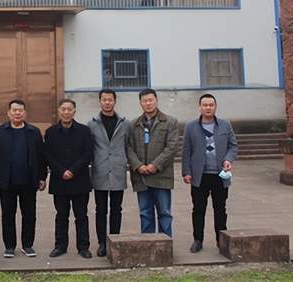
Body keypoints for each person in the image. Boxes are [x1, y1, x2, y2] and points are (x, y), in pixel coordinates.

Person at [0, 99, 47, 258]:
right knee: (8, 215)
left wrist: (42, 177)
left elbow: (41, 156)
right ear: (9, 113)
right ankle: (9, 246)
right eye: (14, 110)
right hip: (7, 181)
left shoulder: (33, 132)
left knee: (29, 215)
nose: (17, 113)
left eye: (20, 110)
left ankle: (27, 245)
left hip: (29, 181)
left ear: (25, 113)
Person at [182, 93, 238, 253]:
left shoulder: (225, 125)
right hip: (199, 176)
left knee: (220, 209)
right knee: (198, 209)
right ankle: (197, 240)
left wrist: (228, 159)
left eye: (211, 105)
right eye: (205, 105)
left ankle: (221, 241)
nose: (208, 108)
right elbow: (186, 150)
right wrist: (186, 172)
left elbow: (233, 146)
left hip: (220, 175)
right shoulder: (191, 126)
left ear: (215, 107)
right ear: (200, 107)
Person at [43, 99, 94, 259]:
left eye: (69, 109)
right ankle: (60, 246)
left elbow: (88, 154)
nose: (66, 112)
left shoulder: (84, 131)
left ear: (74, 111)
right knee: (61, 215)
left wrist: (72, 170)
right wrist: (61, 171)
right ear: (59, 111)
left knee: (81, 215)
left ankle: (83, 247)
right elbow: (47, 155)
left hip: (80, 180)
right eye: (63, 109)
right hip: (59, 180)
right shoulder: (51, 132)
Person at [126, 88, 179, 238]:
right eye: (145, 101)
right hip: (141, 177)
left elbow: (172, 147)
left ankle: (165, 244)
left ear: (156, 100)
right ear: (140, 103)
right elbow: (129, 147)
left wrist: (155, 165)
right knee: (145, 213)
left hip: (161, 176)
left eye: (151, 100)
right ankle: (148, 244)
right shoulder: (133, 124)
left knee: (164, 213)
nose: (148, 103)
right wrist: (138, 166)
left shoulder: (170, 122)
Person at [87, 89, 130, 257]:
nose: (107, 102)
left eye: (110, 100)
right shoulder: (92, 124)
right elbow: (90, 147)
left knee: (116, 209)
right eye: (104, 100)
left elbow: (128, 145)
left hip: (118, 171)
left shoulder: (124, 124)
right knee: (101, 209)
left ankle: (114, 240)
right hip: (100, 171)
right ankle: (102, 243)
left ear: (115, 101)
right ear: (100, 101)